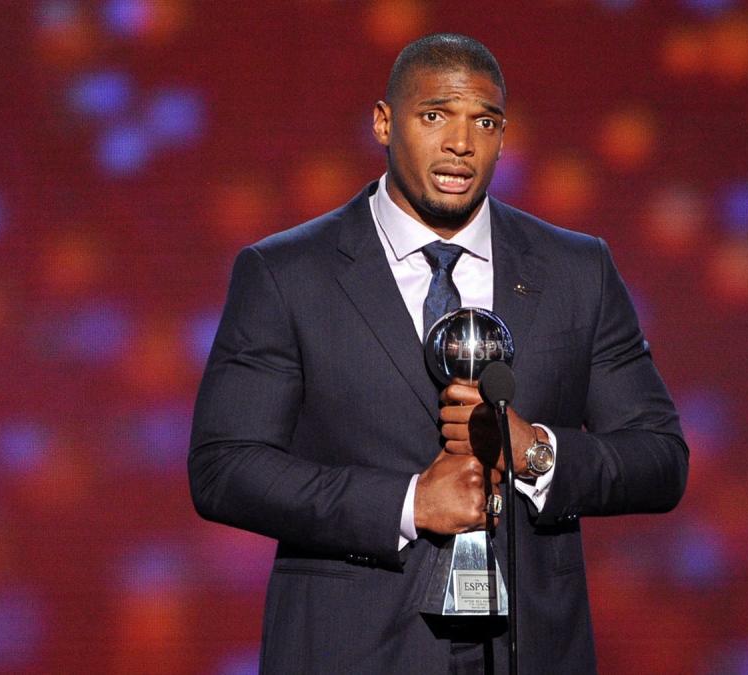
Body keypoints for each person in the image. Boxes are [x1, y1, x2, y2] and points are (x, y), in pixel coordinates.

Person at [189, 33, 688, 674]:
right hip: (353, 650)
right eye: (434, 116)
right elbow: (225, 468)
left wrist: (535, 452)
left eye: (484, 121)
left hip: (527, 651)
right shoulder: (288, 274)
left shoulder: (576, 270)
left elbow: (660, 459)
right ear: (383, 122)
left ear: (504, 136)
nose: (461, 144)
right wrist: (408, 502)